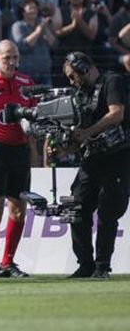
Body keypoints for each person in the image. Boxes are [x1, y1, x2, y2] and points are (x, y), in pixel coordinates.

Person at [57, 52, 130, 279]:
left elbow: (116, 114)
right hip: (92, 158)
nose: (72, 82)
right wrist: (64, 146)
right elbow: (79, 132)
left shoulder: (112, 80)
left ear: (84, 68)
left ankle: (102, 266)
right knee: (74, 207)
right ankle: (85, 264)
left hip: (118, 156)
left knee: (109, 210)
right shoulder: (80, 93)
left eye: (72, 76)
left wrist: (88, 132)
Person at [0, 41, 35, 278]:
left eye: (15, 57)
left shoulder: (26, 83)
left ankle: (8, 262)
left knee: (18, 210)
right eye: (6, 58)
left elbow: (35, 119)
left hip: (20, 151)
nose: (11, 62)